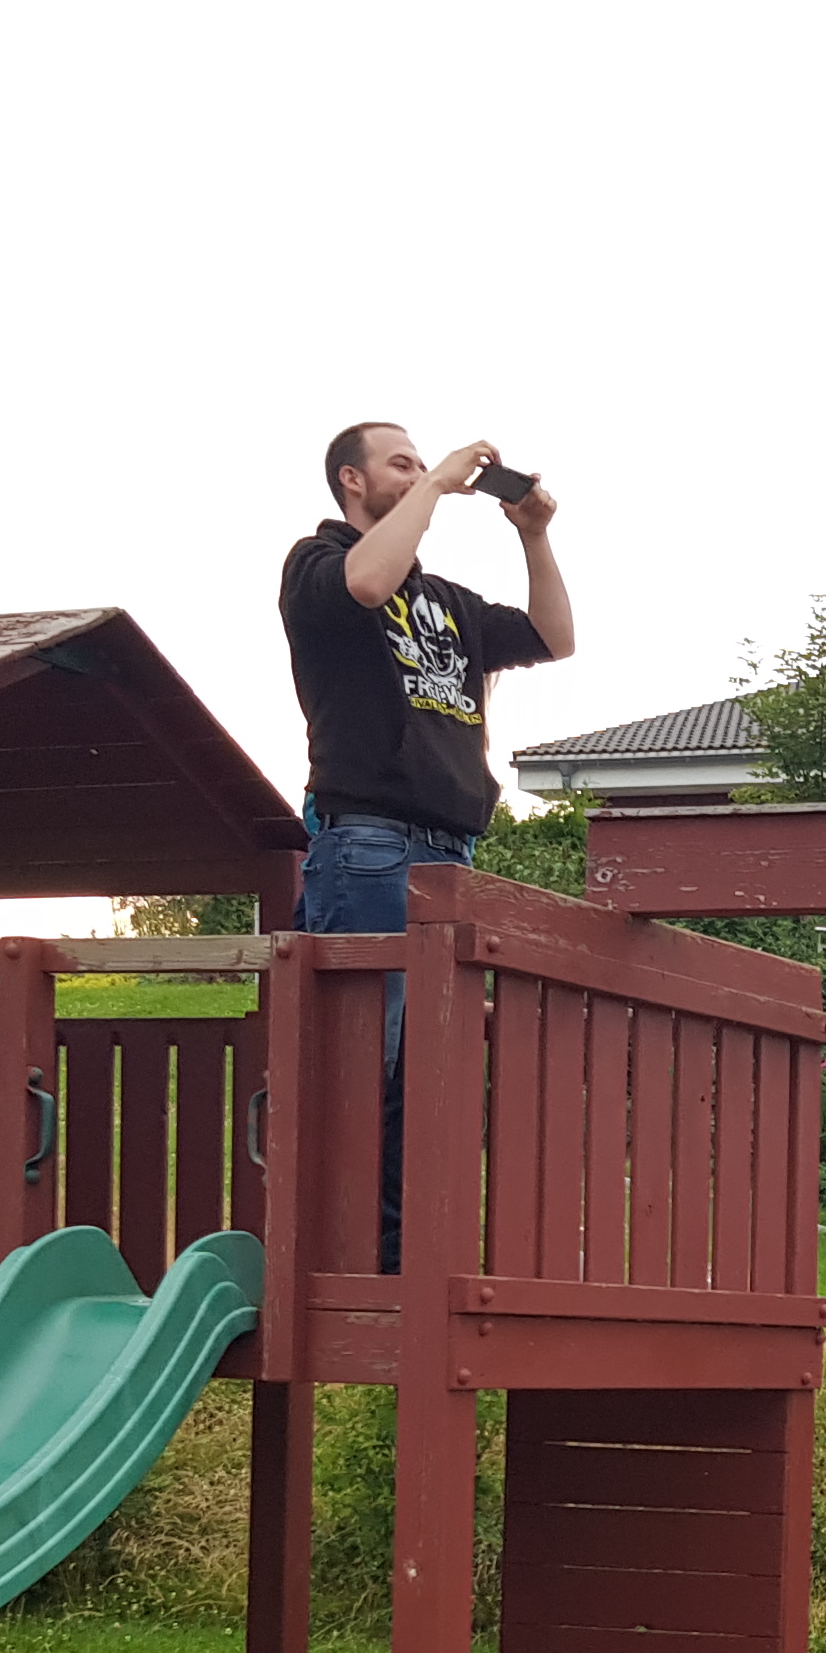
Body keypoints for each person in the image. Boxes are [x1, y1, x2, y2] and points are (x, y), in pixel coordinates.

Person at [280, 421, 575, 1269]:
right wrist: (440, 483)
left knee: (426, 1074)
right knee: (362, 1061)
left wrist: (535, 537)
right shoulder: (316, 564)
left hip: (452, 852)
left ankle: (399, 1263)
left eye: (420, 463)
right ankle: (332, 1257)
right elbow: (368, 583)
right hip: (368, 844)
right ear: (352, 480)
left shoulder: (447, 601)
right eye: (399, 463)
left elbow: (555, 637)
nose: (416, 473)